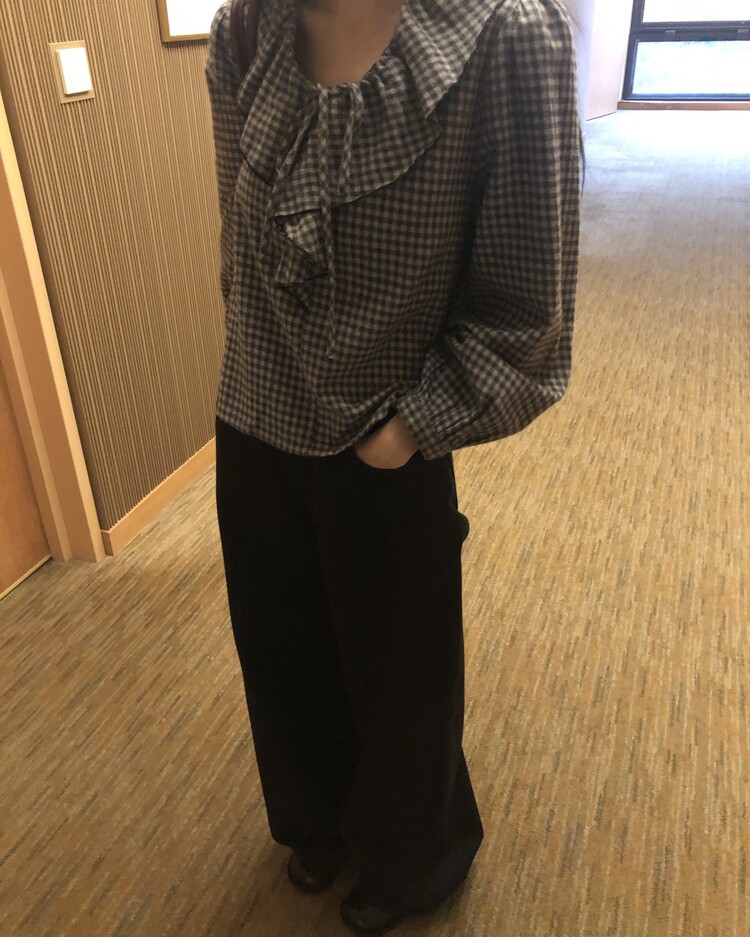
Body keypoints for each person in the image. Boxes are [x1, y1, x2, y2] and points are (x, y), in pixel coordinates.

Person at [204, 0, 581, 933]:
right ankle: (317, 819)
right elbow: (238, 240)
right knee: (281, 649)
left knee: (402, 672)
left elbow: (529, 302)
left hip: (386, 435)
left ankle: (416, 860)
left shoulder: (505, 38)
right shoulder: (245, 32)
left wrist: (413, 426)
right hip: (255, 413)